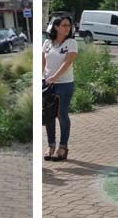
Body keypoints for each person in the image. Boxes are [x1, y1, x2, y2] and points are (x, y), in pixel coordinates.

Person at [42, 15, 78, 162]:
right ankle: (51, 145)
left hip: (64, 84)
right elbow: (42, 61)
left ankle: (62, 147)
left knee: (61, 114)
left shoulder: (71, 43)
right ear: (56, 27)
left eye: (68, 26)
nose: (67, 28)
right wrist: (41, 79)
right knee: (48, 114)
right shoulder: (47, 43)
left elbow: (68, 62)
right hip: (47, 84)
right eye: (64, 25)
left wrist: (55, 77)